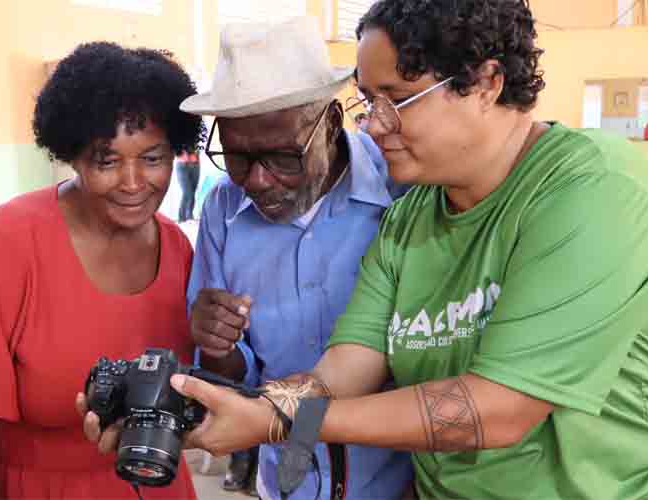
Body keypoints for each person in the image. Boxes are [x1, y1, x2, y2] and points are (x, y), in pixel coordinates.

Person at [156, 1, 648, 499]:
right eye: (369, 101)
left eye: (397, 100)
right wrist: (251, 409)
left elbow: (499, 409)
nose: (375, 125)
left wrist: (281, 422)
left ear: (486, 83)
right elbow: (343, 369)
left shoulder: (594, 189)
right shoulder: (409, 218)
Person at [82, 16, 414, 500]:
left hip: (400, 480)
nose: (257, 180)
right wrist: (217, 345)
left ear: (330, 123)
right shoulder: (223, 209)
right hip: (285, 481)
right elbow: (231, 376)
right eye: (238, 157)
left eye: (283, 157)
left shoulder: (403, 191)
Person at [0, 42, 204, 499]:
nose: (134, 182)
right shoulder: (5, 244)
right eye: (107, 160)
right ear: (72, 155)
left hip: (159, 486)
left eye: (152, 158)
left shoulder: (176, 247)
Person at [175, 148, 201, 222]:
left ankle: (189, 216)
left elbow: (199, 148)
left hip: (195, 164)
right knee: (187, 192)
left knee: (192, 192)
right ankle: (182, 217)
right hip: (183, 165)